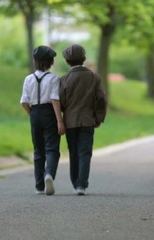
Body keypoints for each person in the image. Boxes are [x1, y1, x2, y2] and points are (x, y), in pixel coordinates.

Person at [59, 44, 107, 196]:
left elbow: (61, 101)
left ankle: (75, 182)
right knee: (85, 152)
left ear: (67, 61)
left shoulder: (64, 79)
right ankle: (82, 184)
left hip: (70, 121)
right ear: (84, 59)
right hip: (88, 120)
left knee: (73, 152)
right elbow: (101, 100)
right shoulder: (94, 77)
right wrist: (98, 118)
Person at [20, 45, 65, 196]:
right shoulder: (53, 78)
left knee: (38, 150)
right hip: (49, 112)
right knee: (52, 148)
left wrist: (32, 114)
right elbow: (54, 99)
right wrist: (60, 120)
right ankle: (49, 174)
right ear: (51, 62)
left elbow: (24, 102)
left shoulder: (28, 79)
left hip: (35, 112)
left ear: (35, 61)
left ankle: (39, 186)